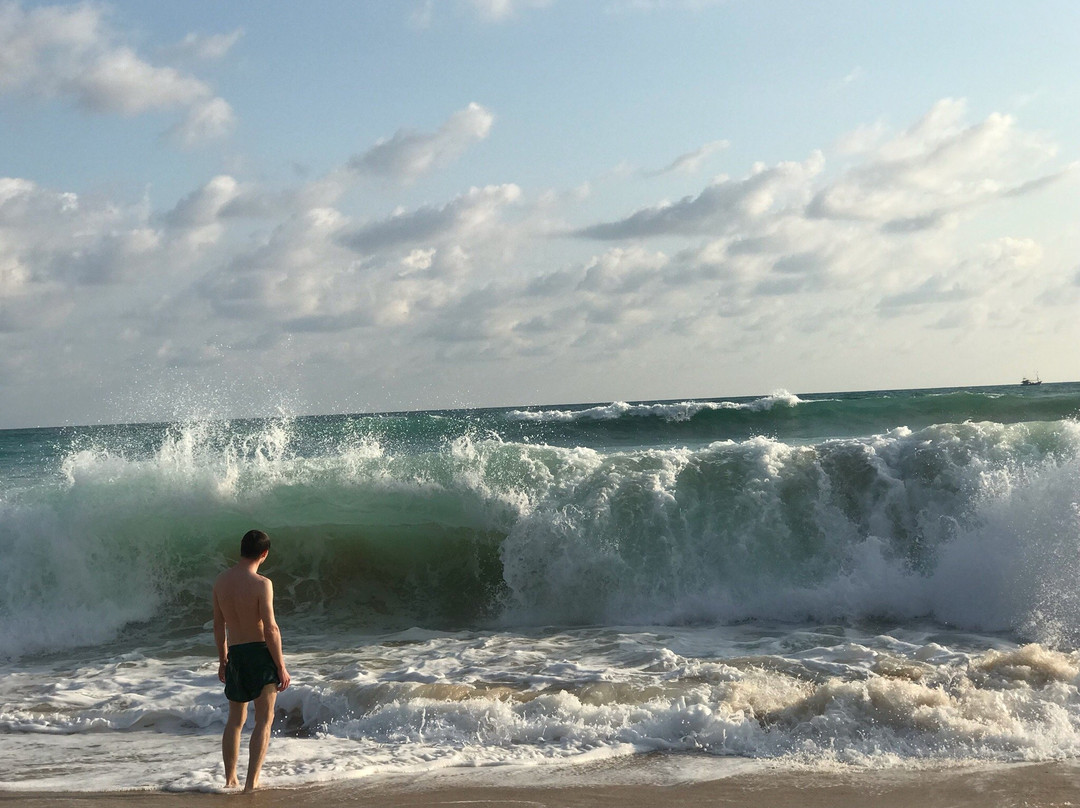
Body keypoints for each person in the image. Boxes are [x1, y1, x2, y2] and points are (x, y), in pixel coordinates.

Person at [212, 529, 291, 792]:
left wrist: (223, 660)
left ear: (241, 549)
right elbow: (271, 628)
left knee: (235, 721)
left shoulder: (221, 582)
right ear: (264, 554)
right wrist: (280, 666)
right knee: (263, 720)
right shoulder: (262, 584)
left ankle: (229, 779)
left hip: (236, 654)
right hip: (259, 655)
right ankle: (250, 783)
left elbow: (218, 626)